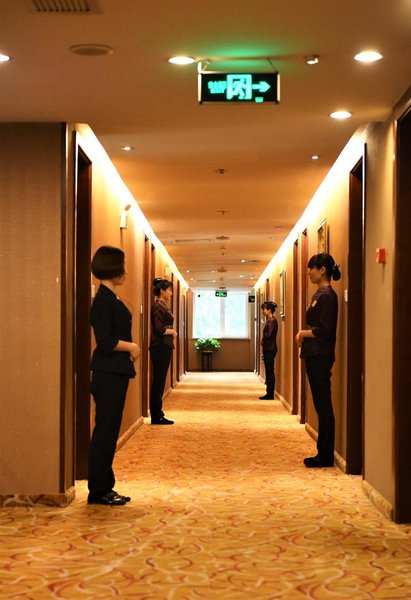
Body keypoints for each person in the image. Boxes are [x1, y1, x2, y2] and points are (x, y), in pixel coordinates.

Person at [87, 245, 140, 506]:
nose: (126, 271)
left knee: (109, 430)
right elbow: (106, 341)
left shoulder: (111, 297)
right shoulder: (102, 301)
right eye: (123, 266)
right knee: (105, 432)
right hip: (107, 373)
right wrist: (131, 347)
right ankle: (99, 490)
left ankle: (104, 486)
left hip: (115, 372)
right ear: (113, 268)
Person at [295, 253, 340, 468]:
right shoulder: (319, 294)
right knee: (320, 404)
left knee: (323, 405)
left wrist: (303, 334)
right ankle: (322, 452)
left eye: (311, 268)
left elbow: (324, 330)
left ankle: (325, 455)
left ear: (322, 270)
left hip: (321, 355)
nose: (308, 273)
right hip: (314, 354)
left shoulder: (328, 296)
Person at [149, 278, 177, 425]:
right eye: (169, 290)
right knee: (158, 382)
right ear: (162, 291)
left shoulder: (163, 305)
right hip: (160, 347)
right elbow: (159, 329)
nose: (171, 293)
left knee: (160, 381)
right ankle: (156, 415)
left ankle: (158, 413)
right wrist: (172, 332)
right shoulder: (158, 306)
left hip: (164, 346)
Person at [259, 301, 279, 400]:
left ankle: (270, 393)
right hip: (269, 348)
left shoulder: (271, 321)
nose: (263, 311)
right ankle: (269, 392)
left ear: (269, 310)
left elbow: (269, 334)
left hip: (270, 349)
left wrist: (263, 340)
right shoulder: (270, 320)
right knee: (269, 370)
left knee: (270, 371)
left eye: (264, 309)